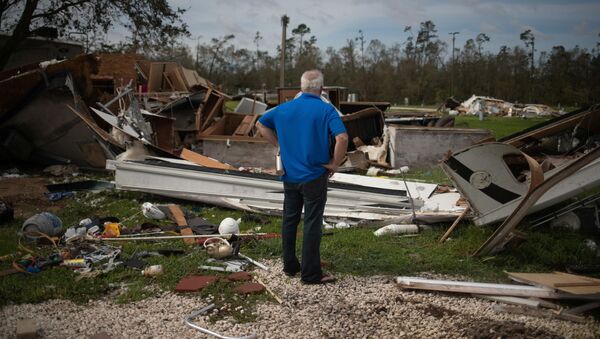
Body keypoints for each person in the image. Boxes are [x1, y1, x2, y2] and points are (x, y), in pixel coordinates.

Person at [256, 70, 348, 284]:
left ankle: (289, 266)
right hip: (315, 175)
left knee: (290, 219)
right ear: (321, 89)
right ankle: (310, 274)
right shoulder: (326, 110)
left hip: (289, 175)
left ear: (302, 87)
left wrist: (278, 145)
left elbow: (261, 124)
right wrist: (335, 163)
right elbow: (342, 137)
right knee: (312, 223)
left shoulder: (284, 108)